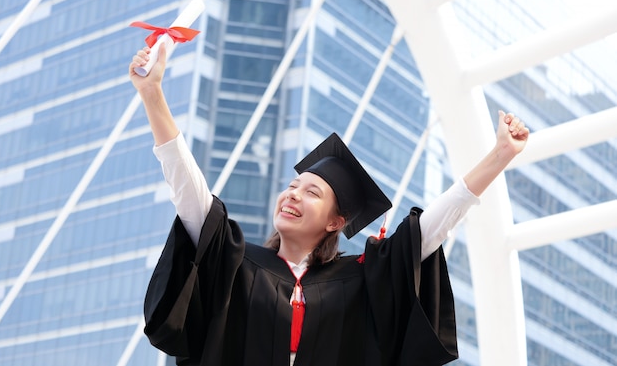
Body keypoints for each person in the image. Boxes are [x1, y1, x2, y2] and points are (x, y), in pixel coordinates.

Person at [129, 44, 529, 366]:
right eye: (292, 186)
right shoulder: (234, 263)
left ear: (337, 222)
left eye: (312, 192)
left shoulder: (360, 279)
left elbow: (430, 229)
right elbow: (187, 188)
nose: (293, 194)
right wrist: (152, 95)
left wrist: (499, 156)